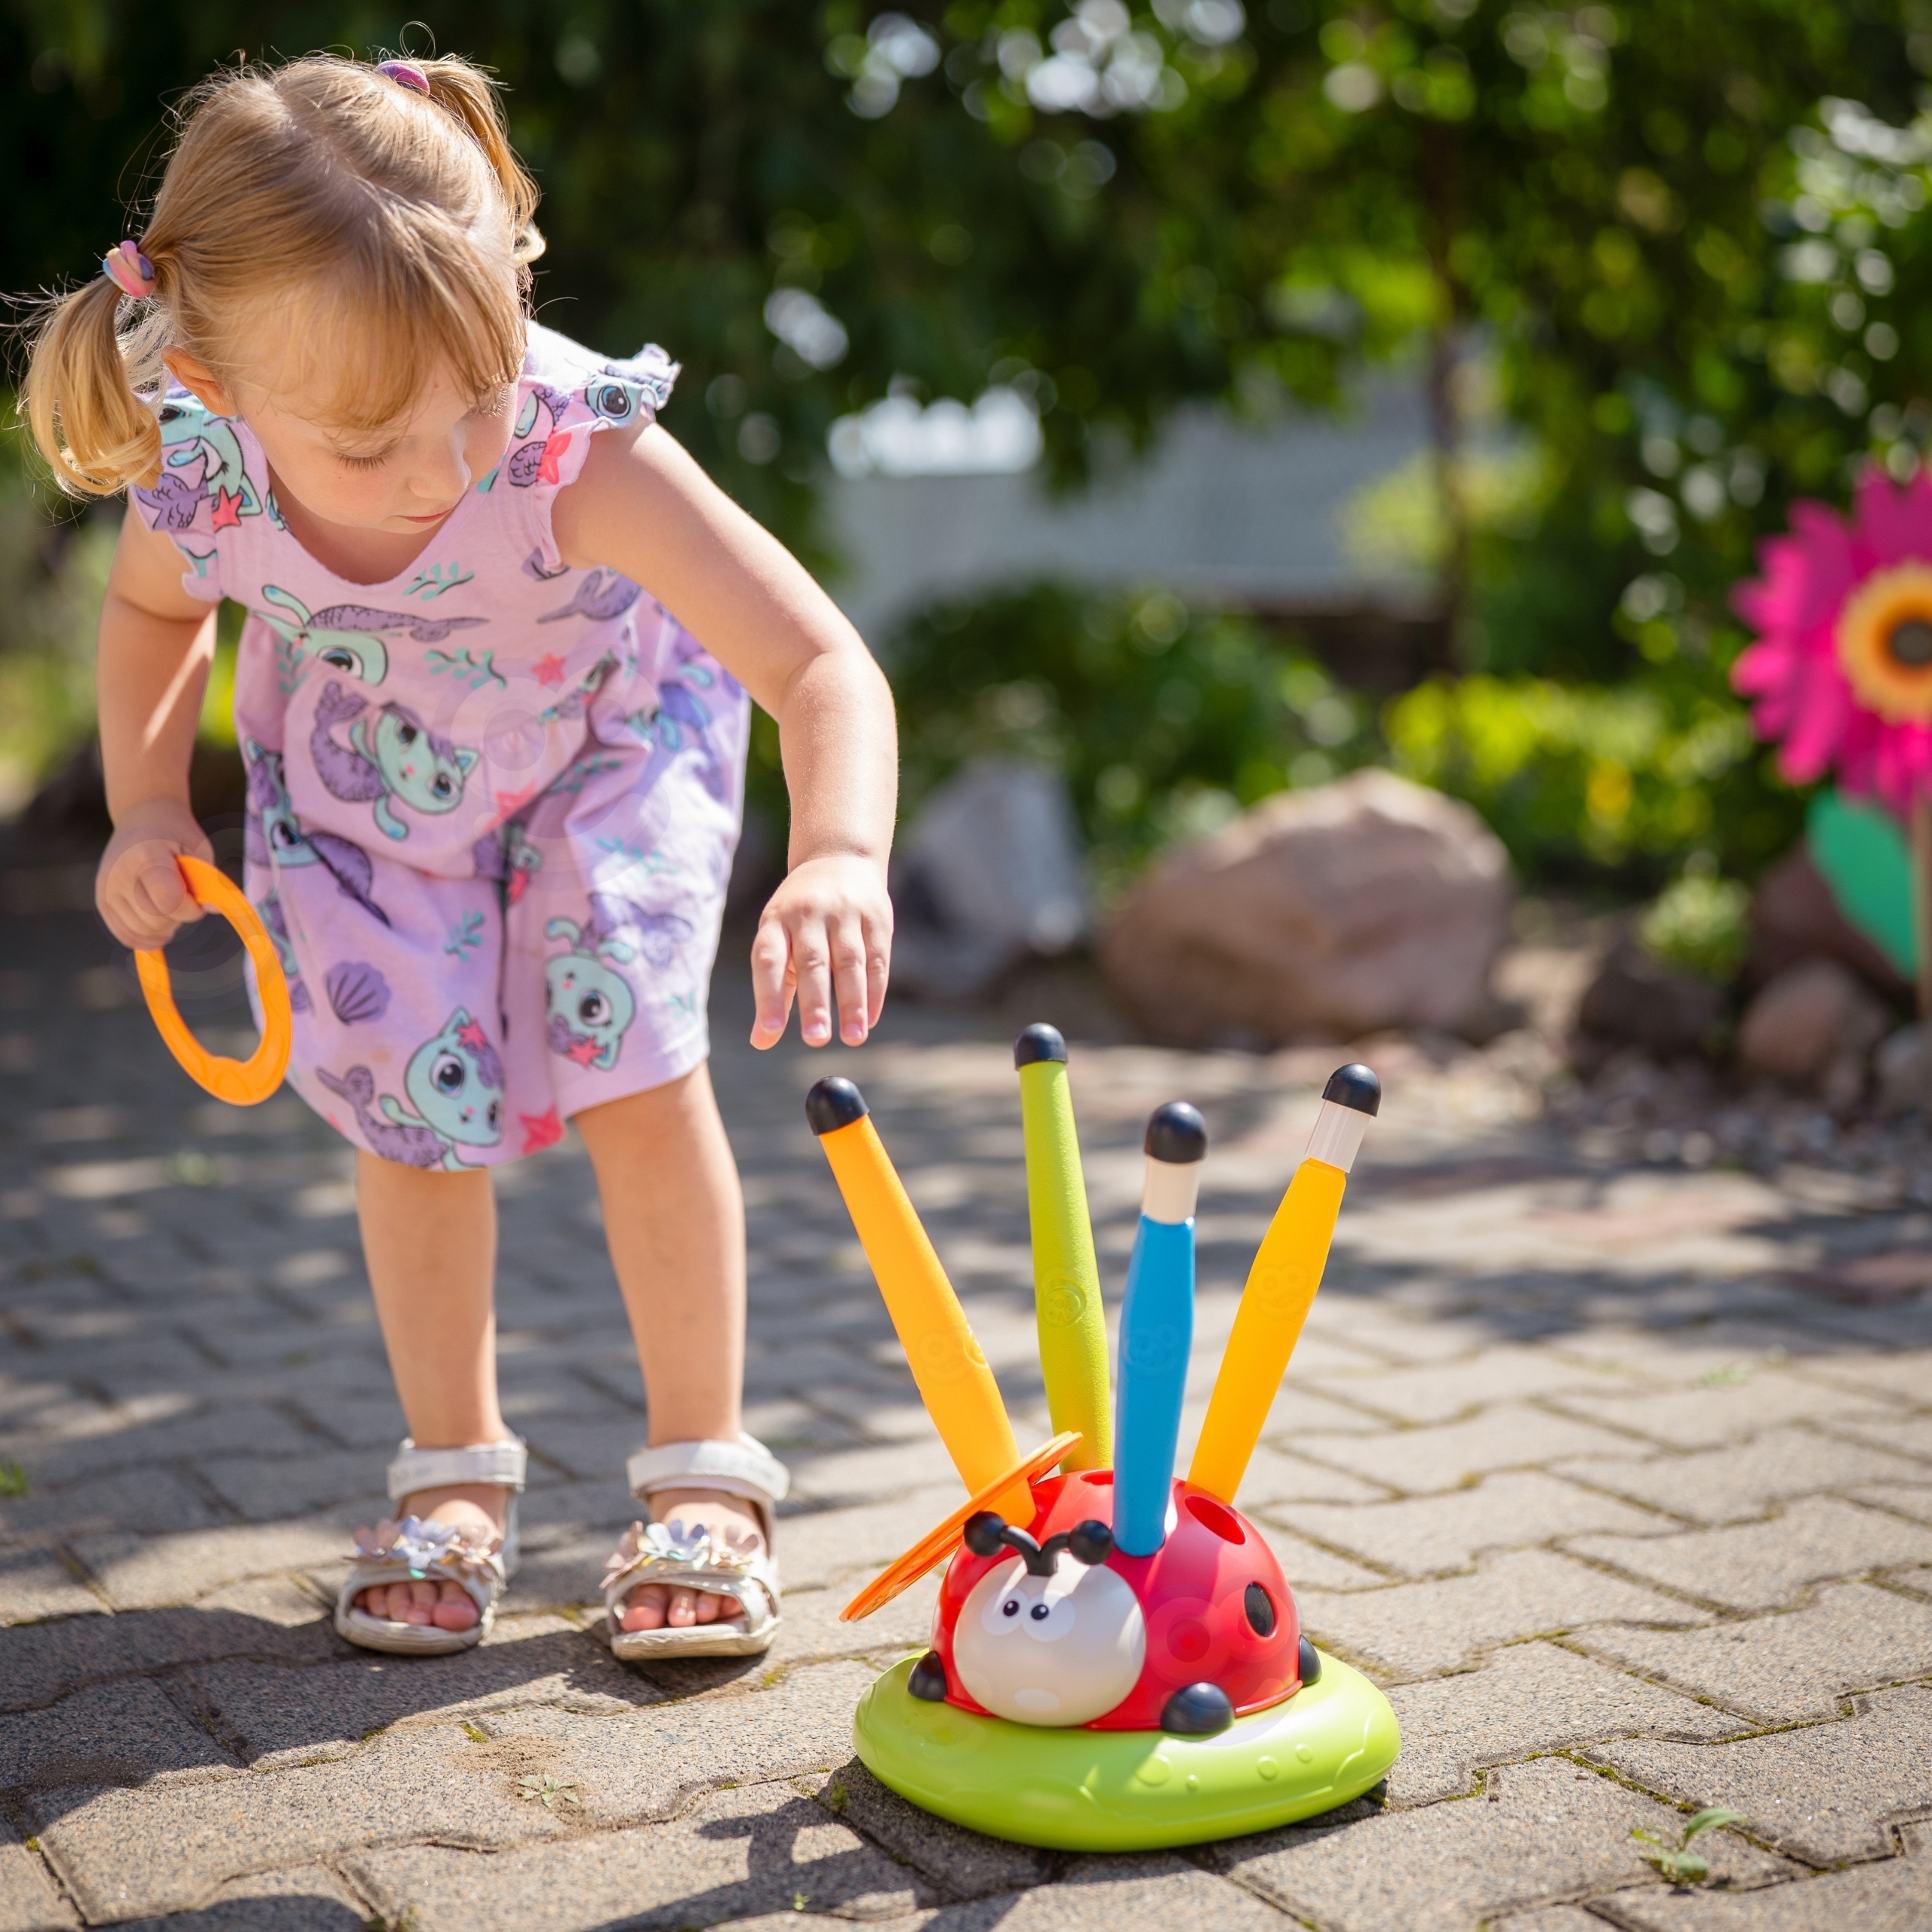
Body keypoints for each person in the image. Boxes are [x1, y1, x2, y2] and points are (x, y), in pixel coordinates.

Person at [20, 53, 896, 1661]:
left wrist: (836, 848)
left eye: (469, 401)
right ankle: (455, 1475)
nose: (439, 469)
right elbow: (153, 616)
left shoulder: (573, 449)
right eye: (366, 444)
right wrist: (151, 805)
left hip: (601, 756)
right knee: (414, 1111)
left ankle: (704, 1470)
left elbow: (818, 661)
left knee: (632, 1055)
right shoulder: (200, 474)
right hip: (371, 791)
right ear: (207, 374)